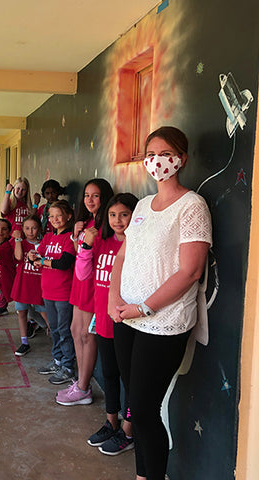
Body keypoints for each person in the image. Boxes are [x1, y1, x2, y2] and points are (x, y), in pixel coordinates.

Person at [108, 127, 212, 480]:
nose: (155, 160)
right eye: (149, 153)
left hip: (162, 323)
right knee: (135, 408)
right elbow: (123, 254)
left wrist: (143, 308)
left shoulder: (192, 205)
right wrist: (113, 299)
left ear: (181, 158)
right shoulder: (140, 205)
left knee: (146, 410)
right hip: (126, 318)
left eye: (164, 152)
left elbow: (191, 270)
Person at [66, 193, 138, 456]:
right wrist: (85, 246)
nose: (118, 220)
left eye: (124, 214)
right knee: (109, 374)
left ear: (135, 216)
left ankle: (128, 431)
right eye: (112, 215)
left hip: (128, 323)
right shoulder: (102, 242)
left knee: (129, 380)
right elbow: (83, 273)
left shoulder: (138, 244)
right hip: (103, 319)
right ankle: (111, 422)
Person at [62, 179, 113, 403]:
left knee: (86, 334)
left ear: (105, 197)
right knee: (75, 330)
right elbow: (80, 252)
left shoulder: (108, 223)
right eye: (86, 195)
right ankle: (81, 383)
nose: (90, 200)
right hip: (79, 281)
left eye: (95, 195)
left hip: (94, 283)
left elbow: (99, 256)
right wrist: (75, 235)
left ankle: (83, 387)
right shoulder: (86, 222)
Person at [29, 200, 76, 385]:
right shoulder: (48, 238)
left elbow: (64, 263)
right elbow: (36, 256)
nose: (54, 219)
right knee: (54, 329)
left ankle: (68, 367)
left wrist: (42, 261)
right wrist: (32, 256)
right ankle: (57, 361)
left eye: (58, 215)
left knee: (65, 330)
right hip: (47, 291)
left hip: (63, 293)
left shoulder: (70, 238)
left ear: (68, 216)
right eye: (51, 216)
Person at [0, 177, 33, 318]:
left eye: (23, 189)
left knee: (22, 275)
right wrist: (8, 192)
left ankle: (28, 307)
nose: (20, 191)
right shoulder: (12, 203)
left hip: (23, 245)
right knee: (6, 275)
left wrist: (36, 205)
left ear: (27, 191)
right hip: (10, 245)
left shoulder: (27, 206)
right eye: (17, 188)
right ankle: (2, 305)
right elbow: (3, 209)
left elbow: (33, 218)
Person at [10, 215, 49, 356]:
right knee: (22, 313)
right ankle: (24, 342)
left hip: (39, 284)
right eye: (27, 228)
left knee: (45, 313)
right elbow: (19, 257)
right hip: (23, 284)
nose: (30, 231)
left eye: (33, 228)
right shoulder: (20, 242)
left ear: (39, 228)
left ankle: (56, 341)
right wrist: (18, 240)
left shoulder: (44, 242)